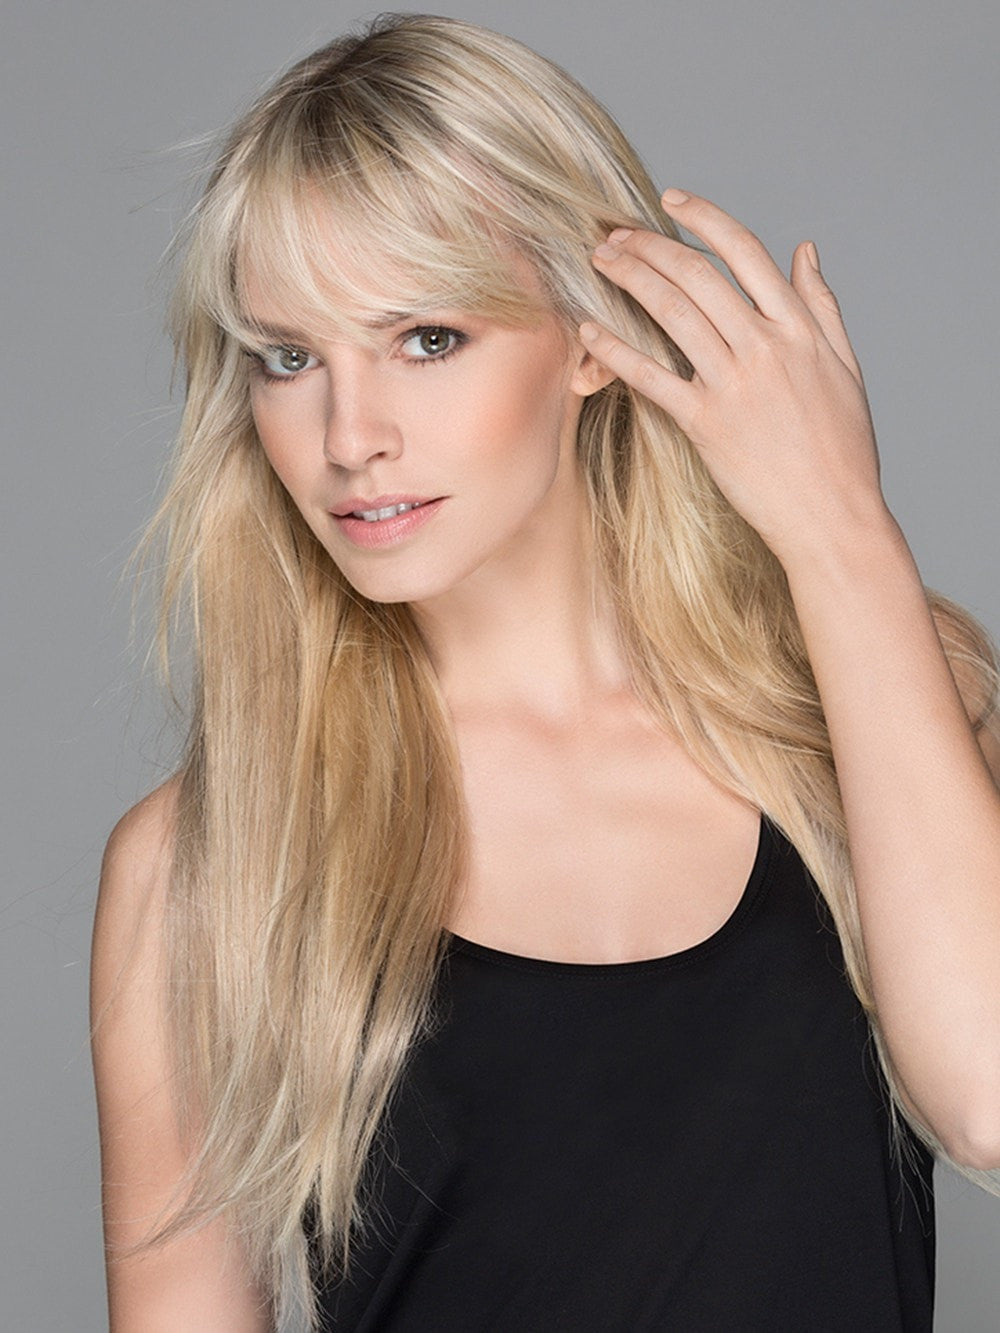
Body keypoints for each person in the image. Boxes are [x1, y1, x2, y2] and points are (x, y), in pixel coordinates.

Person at [89, 12, 1000, 1332]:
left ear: (588, 338)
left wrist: (839, 529)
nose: (350, 436)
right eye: (290, 359)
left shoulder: (877, 707)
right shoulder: (204, 863)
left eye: (427, 337)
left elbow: (988, 1099)